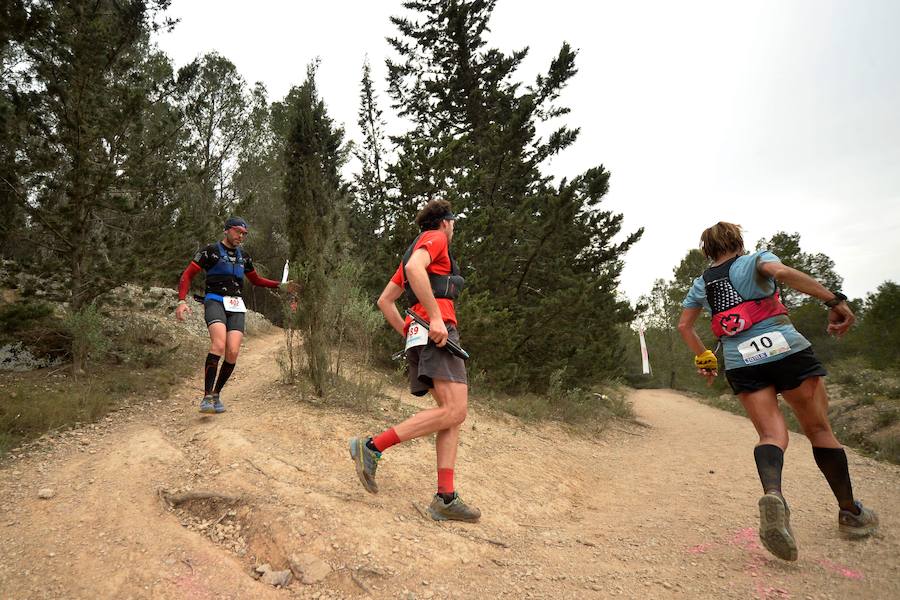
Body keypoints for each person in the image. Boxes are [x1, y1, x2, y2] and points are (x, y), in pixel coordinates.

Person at [677, 221, 878, 561]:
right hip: (786, 348)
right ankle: (850, 513)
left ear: (707, 250)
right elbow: (780, 271)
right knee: (818, 429)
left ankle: (774, 495)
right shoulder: (755, 260)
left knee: (771, 433)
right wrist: (834, 300)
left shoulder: (701, 283)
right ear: (737, 242)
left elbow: (684, 325)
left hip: (740, 359)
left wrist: (705, 358)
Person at [348, 199, 480, 522]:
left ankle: (445, 498)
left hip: (425, 334)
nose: (453, 230)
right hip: (440, 331)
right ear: (445, 223)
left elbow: (385, 301)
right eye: (454, 224)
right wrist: (434, 317)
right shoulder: (435, 239)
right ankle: (372, 446)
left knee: (452, 415)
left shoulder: (415, 247)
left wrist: (410, 331)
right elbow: (413, 270)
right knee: (454, 410)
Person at [175, 217, 293, 414]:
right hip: (214, 300)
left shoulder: (244, 257)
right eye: (238, 232)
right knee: (218, 345)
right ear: (227, 231)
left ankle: (216, 395)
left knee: (232, 351)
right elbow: (187, 275)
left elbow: (256, 280)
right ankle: (206, 397)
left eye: (244, 234)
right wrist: (181, 300)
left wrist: (281, 286)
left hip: (237, 305)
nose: (241, 236)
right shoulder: (210, 251)